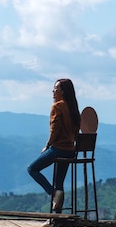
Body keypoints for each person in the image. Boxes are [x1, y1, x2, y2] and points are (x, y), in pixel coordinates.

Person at [27, 78, 81, 213]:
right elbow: (76, 132)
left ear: (62, 92)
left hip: (58, 149)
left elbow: (54, 130)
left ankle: (52, 192)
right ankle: (55, 219)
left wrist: (47, 145)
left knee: (32, 169)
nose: (53, 91)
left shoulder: (57, 106)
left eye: (56, 88)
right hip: (70, 150)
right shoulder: (73, 107)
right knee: (60, 183)